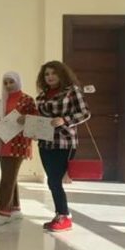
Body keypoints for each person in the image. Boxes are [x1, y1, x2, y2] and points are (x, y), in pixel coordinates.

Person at [35, 61, 90, 232]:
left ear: (61, 75)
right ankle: (60, 214)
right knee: (52, 181)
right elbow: (41, 118)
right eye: (46, 74)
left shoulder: (72, 91)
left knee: (55, 180)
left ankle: (64, 216)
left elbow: (85, 113)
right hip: (45, 142)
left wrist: (64, 120)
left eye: (53, 73)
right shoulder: (43, 95)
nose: (50, 77)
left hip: (64, 141)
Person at [0, 71, 37, 226]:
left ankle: (3, 212)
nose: (9, 85)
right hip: (3, 142)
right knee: (10, 176)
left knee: (7, 179)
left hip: (18, 144)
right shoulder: (2, 100)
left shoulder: (27, 99)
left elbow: (36, 119)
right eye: (6, 83)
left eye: (11, 82)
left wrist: (27, 119)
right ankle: (15, 209)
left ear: (18, 81)